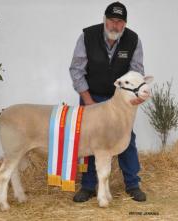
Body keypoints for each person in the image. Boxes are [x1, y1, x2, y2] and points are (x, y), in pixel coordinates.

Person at [69, 1, 146, 203]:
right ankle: (88, 186)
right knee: (88, 137)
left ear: (125, 24)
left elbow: (137, 70)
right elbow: (76, 70)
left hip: (119, 100)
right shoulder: (87, 36)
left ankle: (132, 183)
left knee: (126, 138)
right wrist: (88, 100)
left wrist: (136, 93)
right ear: (104, 20)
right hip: (91, 95)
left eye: (119, 22)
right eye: (111, 20)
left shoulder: (133, 40)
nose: (115, 25)